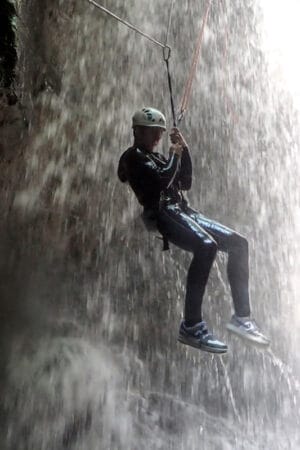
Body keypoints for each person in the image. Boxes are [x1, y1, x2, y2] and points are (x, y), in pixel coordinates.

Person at [118, 107, 270, 354]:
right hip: (162, 213)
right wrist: (174, 156)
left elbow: (184, 182)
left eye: (160, 132)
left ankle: (242, 318)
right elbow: (161, 183)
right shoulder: (133, 157)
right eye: (152, 132)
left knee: (239, 243)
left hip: (182, 210)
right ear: (138, 132)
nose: (157, 137)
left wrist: (184, 149)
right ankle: (191, 325)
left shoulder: (157, 158)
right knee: (207, 246)